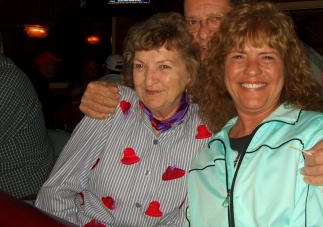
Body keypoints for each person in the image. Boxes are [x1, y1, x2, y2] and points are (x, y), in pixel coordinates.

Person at [79, 0, 323, 196]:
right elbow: (147, 77)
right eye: (193, 21)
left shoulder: (282, 56)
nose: (202, 33)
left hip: (301, 183)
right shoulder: (190, 64)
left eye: (215, 19)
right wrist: (106, 86)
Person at [186, 0, 323, 226]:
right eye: (238, 56)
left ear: (287, 68)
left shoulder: (314, 135)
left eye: (267, 56)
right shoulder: (207, 157)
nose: (252, 69)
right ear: (221, 68)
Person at [35, 13, 209, 226]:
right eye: (140, 66)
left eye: (164, 66)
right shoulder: (112, 106)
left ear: (190, 74)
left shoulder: (207, 132)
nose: (148, 79)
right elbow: (56, 191)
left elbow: (188, 218)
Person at [0, 33, 54, 199]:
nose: (54, 68)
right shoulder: (38, 81)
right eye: (51, 64)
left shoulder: (6, 79)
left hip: (24, 195)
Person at [29, 51, 62, 129]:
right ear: (44, 66)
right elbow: (49, 104)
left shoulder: (39, 80)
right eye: (53, 64)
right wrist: (69, 96)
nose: (56, 68)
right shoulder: (39, 82)